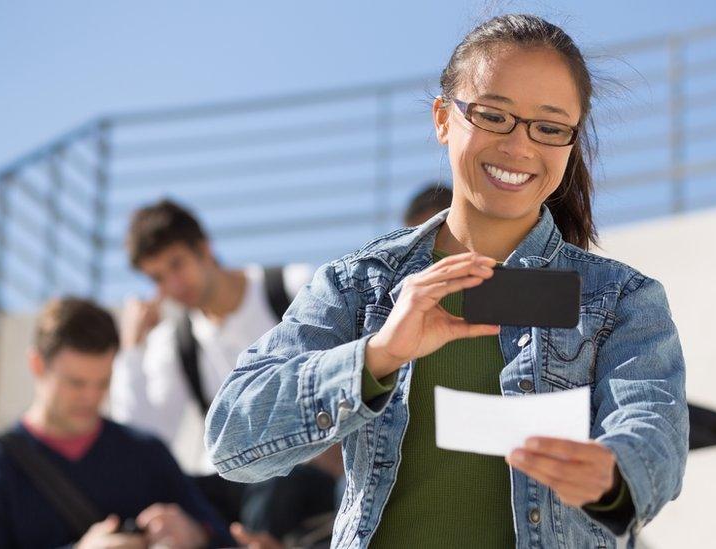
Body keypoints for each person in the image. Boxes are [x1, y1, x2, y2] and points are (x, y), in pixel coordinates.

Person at [205, 14, 688, 548]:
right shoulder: (358, 285)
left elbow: (655, 437)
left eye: (549, 127)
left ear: (570, 143)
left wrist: (611, 472)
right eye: (493, 115)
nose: (519, 145)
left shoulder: (621, 300)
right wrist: (380, 355)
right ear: (442, 118)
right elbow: (231, 438)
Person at [109, 199, 340, 541]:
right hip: (235, 489)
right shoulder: (174, 342)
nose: (173, 285)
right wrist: (131, 349)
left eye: (177, 265)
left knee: (276, 480)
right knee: (160, 506)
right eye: (158, 277)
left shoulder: (293, 288)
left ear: (204, 248)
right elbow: (143, 437)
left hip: (310, 473)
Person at [0, 297, 234, 548]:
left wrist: (197, 534)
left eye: (103, 382)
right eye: (76, 383)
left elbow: (224, 536)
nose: (91, 397)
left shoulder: (146, 453)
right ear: (37, 365)